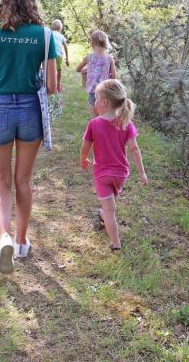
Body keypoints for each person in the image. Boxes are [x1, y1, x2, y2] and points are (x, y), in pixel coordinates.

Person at [0, 0, 58, 273]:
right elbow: (52, 85)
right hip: (30, 110)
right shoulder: (44, 35)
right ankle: (21, 241)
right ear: (31, 0)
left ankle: (4, 235)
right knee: (23, 180)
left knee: (1, 181)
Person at [79, 79, 147, 252]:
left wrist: (83, 159)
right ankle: (103, 216)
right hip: (121, 174)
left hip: (102, 174)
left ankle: (115, 243)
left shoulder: (94, 124)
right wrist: (142, 173)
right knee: (110, 203)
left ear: (104, 102)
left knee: (110, 211)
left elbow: (85, 147)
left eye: (96, 98)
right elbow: (134, 148)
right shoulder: (126, 123)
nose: (94, 102)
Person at [75, 30, 116, 117]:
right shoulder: (109, 58)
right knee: (105, 114)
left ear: (92, 44)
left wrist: (85, 69)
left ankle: (96, 128)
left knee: (95, 115)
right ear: (105, 43)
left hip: (94, 91)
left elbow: (78, 69)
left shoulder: (88, 57)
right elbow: (114, 77)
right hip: (106, 91)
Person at [50, 19, 70, 92]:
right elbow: (65, 47)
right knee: (59, 70)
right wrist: (67, 59)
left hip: (51, 54)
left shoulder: (50, 33)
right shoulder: (61, 36)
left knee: (50, 69)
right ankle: (58, 85)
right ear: (60, 28)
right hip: (59, 55)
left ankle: (50, 84)